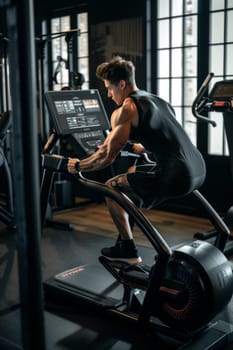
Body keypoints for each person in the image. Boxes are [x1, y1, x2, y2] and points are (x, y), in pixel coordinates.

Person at [67, 56, 206, 265]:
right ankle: (127, 232)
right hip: (198, 169)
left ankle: (128, 250)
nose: (109, 94)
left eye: (109, 88)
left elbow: (106, 156)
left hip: (175, 175)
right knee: (132, 173)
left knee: (111, 188)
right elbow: (166, 135)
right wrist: (142, 146)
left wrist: (78, 166)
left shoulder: (127, 108)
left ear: (121, 84)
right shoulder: (157, 100)